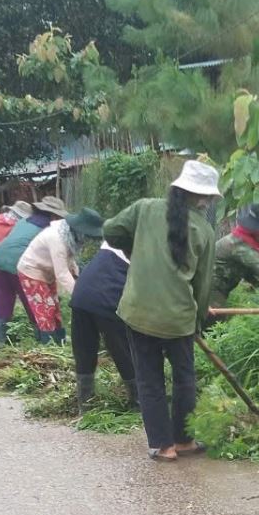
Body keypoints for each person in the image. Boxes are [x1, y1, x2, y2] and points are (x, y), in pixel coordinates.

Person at [103, 159, 220, 462]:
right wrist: (198, 318)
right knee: (185, 378)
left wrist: (135, 246)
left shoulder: (145, 209)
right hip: (178, 319)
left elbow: (110, 231)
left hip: (138, 311)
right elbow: (203, 284)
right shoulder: (205, 231)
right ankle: (182, 440)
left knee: (149, 378)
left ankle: (162, 445)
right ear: (203, 198)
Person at [17, 208, 104, 343]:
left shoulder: (68, 235)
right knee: (45, 308)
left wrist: (78, 277)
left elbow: (70, 260)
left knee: (54, 306)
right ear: (80, 229)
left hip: (46, 270)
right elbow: (62, 273)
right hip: (31, 270)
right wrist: (79, 294)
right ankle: (47, 345)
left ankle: (59, 340)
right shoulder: (57, 238)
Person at [0, 195, 68, 343]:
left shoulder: (23, 221)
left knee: (3, 299)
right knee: (34, 300)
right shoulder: (50, 229)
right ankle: (43, 339)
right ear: (54, 215)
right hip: (19, 262)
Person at [69, 243, 136, 412]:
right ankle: (138, 402)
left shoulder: (112, 241)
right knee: (123, 350)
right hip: (107, 297)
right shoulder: (145, 245)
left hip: (81, 296)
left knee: (84, 351)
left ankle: (85, 405)